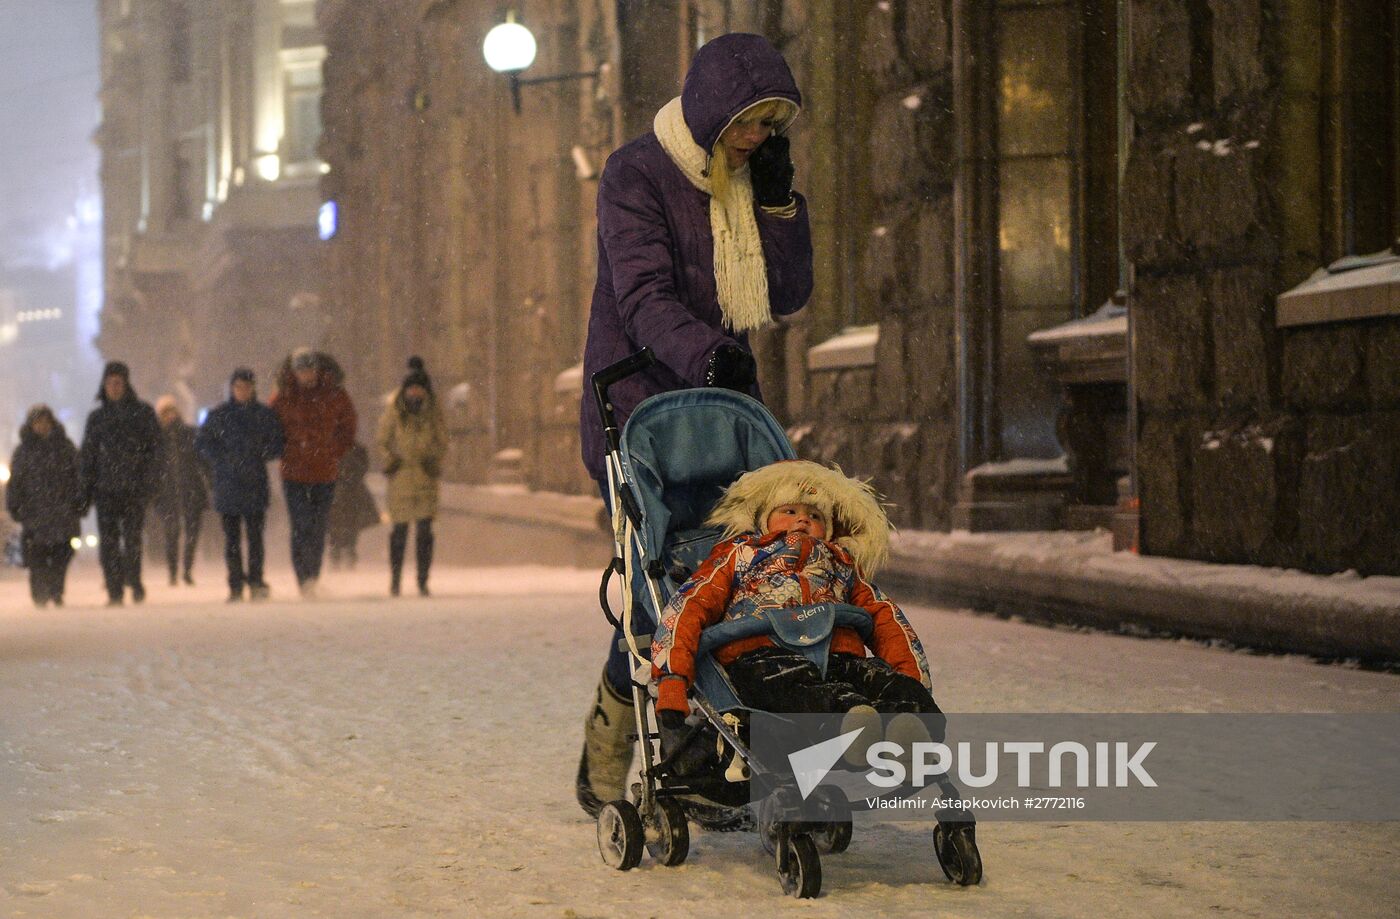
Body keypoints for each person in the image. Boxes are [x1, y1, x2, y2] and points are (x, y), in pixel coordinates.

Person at [575, 32, 814, 816]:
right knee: (661, 583)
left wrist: (778, 208)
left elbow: (784, 296)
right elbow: (641, 294)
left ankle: (726, 741)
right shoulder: (634, 173)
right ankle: (630, 738)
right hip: (641, 410)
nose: (757, 140)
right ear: (713, 115)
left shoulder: (745, 179)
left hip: (725, 407)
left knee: (739, 571)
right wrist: (708, 356)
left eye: (770, 127)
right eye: (749, 124)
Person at [650, 461, 935, 765]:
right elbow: (689, 605)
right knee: (803, 691)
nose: (803, 519)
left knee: (885, 681)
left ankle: (906, 724)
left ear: (827, 529)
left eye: (815, 515)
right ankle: (852, 726)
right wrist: (672, 678)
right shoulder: (740, 554)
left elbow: (886, 619)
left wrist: (912, 679)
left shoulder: (841, 564)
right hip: (763, 654)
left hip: (838, 654)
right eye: (789, 511)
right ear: (763, 520)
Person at [270, 348, 356, 598]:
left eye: (310, 370)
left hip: (324, 472)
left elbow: (348, 426)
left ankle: (312, 576)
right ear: (294, 373)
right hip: (293, 473)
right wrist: (283, 450)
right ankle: (303, 577)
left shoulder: (335, 395)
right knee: (300, 526)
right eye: (302, 370)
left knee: (318, 528)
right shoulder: (283, 398)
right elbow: (270, 428)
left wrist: (333, 451)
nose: (306, 375)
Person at [196, 368, 284, 602]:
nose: (242, 391)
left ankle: (255, 581)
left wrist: (258, 454)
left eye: (246, 387)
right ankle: (236, 584)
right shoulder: (219, 416)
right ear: (231, 389)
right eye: (238, 387)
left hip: (254, 484)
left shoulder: (264, 415)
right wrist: (223, 459)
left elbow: (277, 443)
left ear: (253, 388)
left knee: (255, 539)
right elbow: (203, 444)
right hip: (229, 486)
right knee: (232, 540)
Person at [80, 361, 161, 606]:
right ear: (104, 385)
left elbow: (155, 452)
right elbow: (88, 456)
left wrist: (150, 482)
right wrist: (86, 488)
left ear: (126, 384)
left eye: (118, 383)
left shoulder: (143, 413)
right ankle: (115, 589)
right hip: (105, 491)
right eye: (110, 383)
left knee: (133, 539)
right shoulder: (96, 418)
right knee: (109, 543)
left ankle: (134, 581)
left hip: (134, 489)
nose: (114, 387)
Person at [376, 357, 447, 597]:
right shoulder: (395, 411)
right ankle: (395, 581)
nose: (415, 392)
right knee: (399, 532)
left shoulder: (433, 412)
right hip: (401, 479)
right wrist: (391, 461)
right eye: (411, 388)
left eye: (419, 388)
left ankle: (422, 581)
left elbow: (442, 440)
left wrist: (433, 461)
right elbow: (383, 440)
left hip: (425, 478)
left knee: (425, 533)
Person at [6, 406, 82, 607]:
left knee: (61, 553)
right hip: (34, 515)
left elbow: (78, 478)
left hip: (62, 513)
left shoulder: (65, 448)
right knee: (36, 556)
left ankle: (56, 590)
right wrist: (15, 506)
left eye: (45, 421)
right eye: (38, 422)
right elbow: (16, 483)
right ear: (31, 425)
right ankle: (40, 593)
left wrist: (78, 502)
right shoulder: (23, 452)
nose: (42, 425)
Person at [152, 395, 210, 587]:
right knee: (171, 533)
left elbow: (203, 461)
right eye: (165, 412)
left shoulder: (190, 434)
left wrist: (209, 481)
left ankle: (186, 570)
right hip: (166, 492)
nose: (169, 416)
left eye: (172, 411)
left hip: (191, 489)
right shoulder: (156, 439)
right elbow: (152, 466)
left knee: (192, 532)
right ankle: (173, 572)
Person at [327, 442, 378, 571]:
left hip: (343, 493)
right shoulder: (356, 449)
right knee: (346, 526)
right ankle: (343, 554)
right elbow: (362, 468)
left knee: (341, 526)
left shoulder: (332, 447)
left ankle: (340, 554)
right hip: (348, 493)